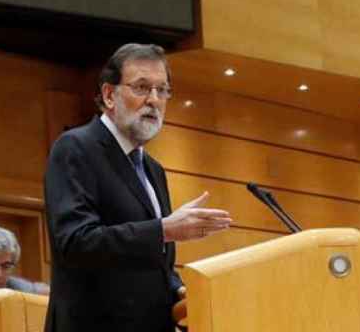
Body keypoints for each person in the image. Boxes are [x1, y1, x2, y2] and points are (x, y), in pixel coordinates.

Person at [44, 43, 233, 332]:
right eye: (142, 88)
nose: (154, 100)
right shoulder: (76, 148)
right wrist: (164, 229)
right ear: (109, 94)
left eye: (162, 90)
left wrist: (179, 290)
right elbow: (76, 242)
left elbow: (154, 263)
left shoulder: (153, 170)